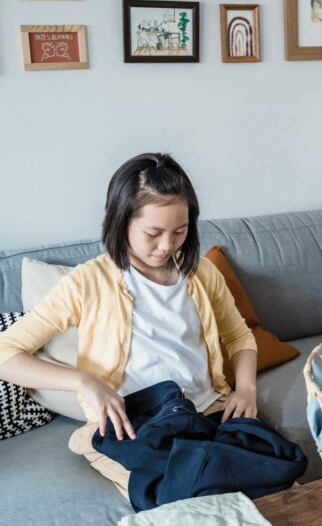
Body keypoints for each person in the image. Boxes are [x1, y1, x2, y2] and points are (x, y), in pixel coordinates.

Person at [0, 152, 258, 496]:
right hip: (134, 425)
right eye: (153, 233)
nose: (167, 246)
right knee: (182, 500)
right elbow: (6, 353)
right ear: (121, 221)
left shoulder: (201, 273)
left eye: (179, 231)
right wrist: (83, 381)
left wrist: (246, 389)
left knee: (274, 483)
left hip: (207, 409)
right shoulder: (88, 282)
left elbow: (239, 336)